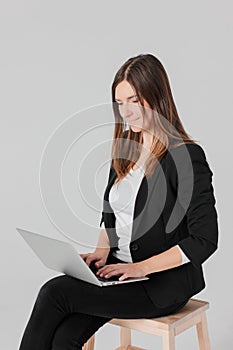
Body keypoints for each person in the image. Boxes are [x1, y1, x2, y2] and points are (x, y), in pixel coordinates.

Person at [18, 54, 219, 350]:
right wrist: (101, 252)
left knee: (54, 293)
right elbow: (111, 214)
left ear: (156, 95)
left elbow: (205, 239)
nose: (126, 111)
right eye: (119, 102)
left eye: (134, 100)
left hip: (159, 285)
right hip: (118, 273)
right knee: (64, 338)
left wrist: (142, 268)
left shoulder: (186, 157)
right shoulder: (126, 150)